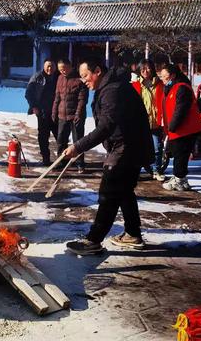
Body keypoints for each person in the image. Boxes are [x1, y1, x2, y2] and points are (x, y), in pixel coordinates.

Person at [64, 57, 154, 255]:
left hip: (126, 148)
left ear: (97, 71)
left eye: (85, 76)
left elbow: (106, 126)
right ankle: (132, 233)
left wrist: (78, 146)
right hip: (130, 147)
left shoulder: (112, 91)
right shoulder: (111, 87)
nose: (83, 81)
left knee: (109, 192)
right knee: (123, 191)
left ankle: (93, 241)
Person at [159, 64, 201, 191]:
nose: (162, 79)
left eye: (164, 77)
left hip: (184, 130)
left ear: (172, 75)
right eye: (161, 77)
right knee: (179, 155)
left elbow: (181, 110)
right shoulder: (172, 87)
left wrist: (172, 126)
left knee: (180, 155)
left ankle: (179, 179)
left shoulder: (182, 88)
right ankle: (181, 178)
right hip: (177, 130)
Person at [52, 58, 88, 173]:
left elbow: (82, 100)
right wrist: (54, 111)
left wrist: (78, 114)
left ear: (70, 66)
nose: (62, 71)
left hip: (76, 116)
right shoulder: (59, 78)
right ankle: (61, 161)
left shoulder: (79, 79)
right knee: (61, 140)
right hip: (62, 115)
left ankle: (79, 163)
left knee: (78, 141)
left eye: (63, 69)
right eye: (60, 69)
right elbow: (57, 97)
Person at [132, 59, 165, 182]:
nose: (145, 71)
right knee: (138, 148)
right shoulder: (135, 85)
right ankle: (136, 170)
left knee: (157, 148)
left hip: (155, 122)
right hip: (140, 123)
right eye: (142, 69)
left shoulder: (160, 85)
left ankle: (156, 170)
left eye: (148, 68)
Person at [25, 59, 59, 166]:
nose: (50, 68)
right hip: (43, 112)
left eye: (52, 66)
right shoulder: (37, 77)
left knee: (61, 136)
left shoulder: (59, 77)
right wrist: (34, 106)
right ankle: (46, 158)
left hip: (56, 112)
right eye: (48, 66)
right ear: (44, 66)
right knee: (43, 137)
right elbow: (28, 93)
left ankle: (62, 159)